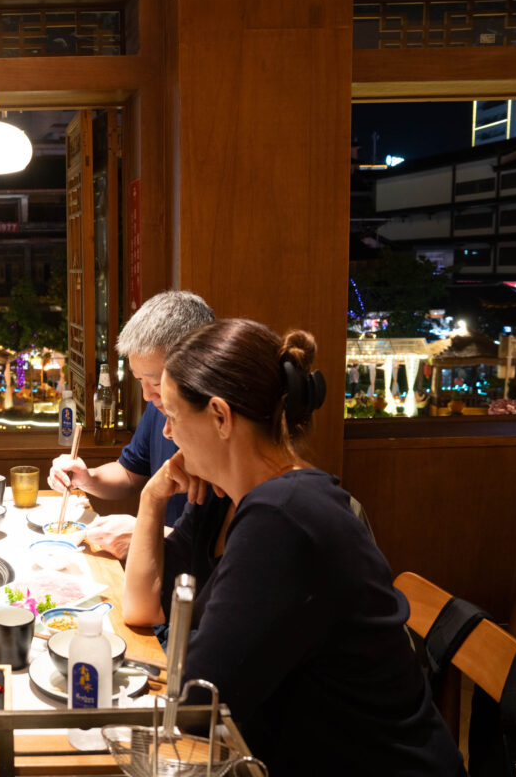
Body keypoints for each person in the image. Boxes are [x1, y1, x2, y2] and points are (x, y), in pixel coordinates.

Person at [122, 319, 463, 775]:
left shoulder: (284, 518)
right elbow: (145, 613)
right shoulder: (235, 498)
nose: (166, 435)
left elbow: (196, 703)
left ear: (221, 417)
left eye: (173, 417)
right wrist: (150, 496)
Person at [48, 290, 215, 557]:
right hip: (166, 568)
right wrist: (87, 478)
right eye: (140, 381)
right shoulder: (157, 407)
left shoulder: (223, 430)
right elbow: (129, 472)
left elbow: (234, 549)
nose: (148, 396)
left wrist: (147, 533)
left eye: (157, 383)